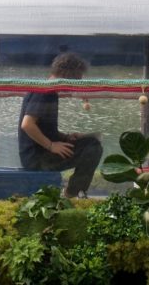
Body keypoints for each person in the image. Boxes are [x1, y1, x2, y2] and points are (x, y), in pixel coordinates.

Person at [17, 52, 103, 197]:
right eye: (77, 80)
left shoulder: (48, 90)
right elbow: (27, 125)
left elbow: (43, 128)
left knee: (90, 142)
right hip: (37, 159)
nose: (77, 84)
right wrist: (52, 146)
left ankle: (73, 191)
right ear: (69, 76)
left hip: (41, 153)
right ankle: (71, 193)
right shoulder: (45, 92)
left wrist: (65, 137)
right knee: (93, 148)